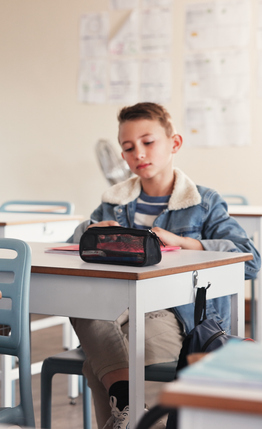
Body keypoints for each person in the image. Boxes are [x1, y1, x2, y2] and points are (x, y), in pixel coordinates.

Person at [68, 102, 260, 429]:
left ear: (175, 143)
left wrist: (186, 243)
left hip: (174, 314)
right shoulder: (114, 202)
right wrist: (90, 232)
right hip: (117, 305)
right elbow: (77, 247)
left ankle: (132, 413)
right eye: (128, 148)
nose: (138, 153)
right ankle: (133, 411)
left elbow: (250, 259)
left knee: (97, 360)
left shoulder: (203, 202)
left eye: (148, 142)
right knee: (81, 302)